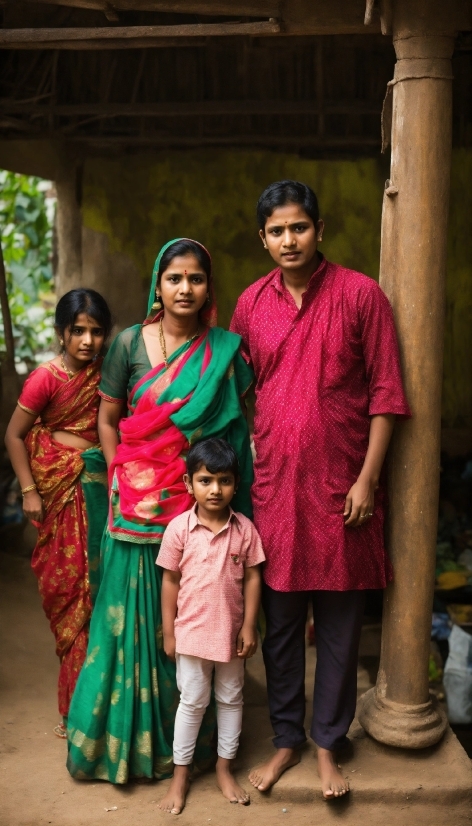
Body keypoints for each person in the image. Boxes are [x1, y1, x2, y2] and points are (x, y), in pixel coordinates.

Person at [230, 181, 411, 799]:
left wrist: (368, 478)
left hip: (343, 491)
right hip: (276, 491)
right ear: (263, 238)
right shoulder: (250, 304)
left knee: (338, 626)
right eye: (277, 231)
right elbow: (237, 389)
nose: (289, 240)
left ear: (320, 229)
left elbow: (388, 395)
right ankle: (287, 740)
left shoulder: (362, 296)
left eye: (299, 227)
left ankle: (328, 744)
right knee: (278, 626)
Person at [66, 238, 254, 784]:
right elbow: (109, 417)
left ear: (207, 288)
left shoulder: (220, 350)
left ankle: (191, 750)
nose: (185, 288)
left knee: (193, 620)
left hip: (195, 504)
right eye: (175, 278)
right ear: (158, 284)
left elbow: (233, 433)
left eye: (196, 279)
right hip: (137, 507)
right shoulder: (127, 343)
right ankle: (125, 744)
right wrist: (123, 473)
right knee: (132, 626)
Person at [5, 289, 112, 737]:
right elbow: (14, 436)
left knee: (102, 599)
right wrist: (29, 491)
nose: (87, 340)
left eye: (96, 331)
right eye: (78, 331)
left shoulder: (107, 375)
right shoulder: (45, 379)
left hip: (99, 494)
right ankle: (73, 712)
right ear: (61, 333)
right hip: (59, 499)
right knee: (71, 602)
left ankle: (100, 709)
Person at [157, 438, 265, 815]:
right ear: (189, 484)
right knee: (192, 702)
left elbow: (253, 578)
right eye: (205, 480)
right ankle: (180, 775)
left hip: (231, 636)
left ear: (236, 484)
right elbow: (170, 580)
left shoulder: (245, 530)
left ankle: (224, 768)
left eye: (224, 480)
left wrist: (249, 626)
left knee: (231, 698)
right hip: (190, 634)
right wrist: (169, 631)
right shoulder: (178, 530)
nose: (215, 489)